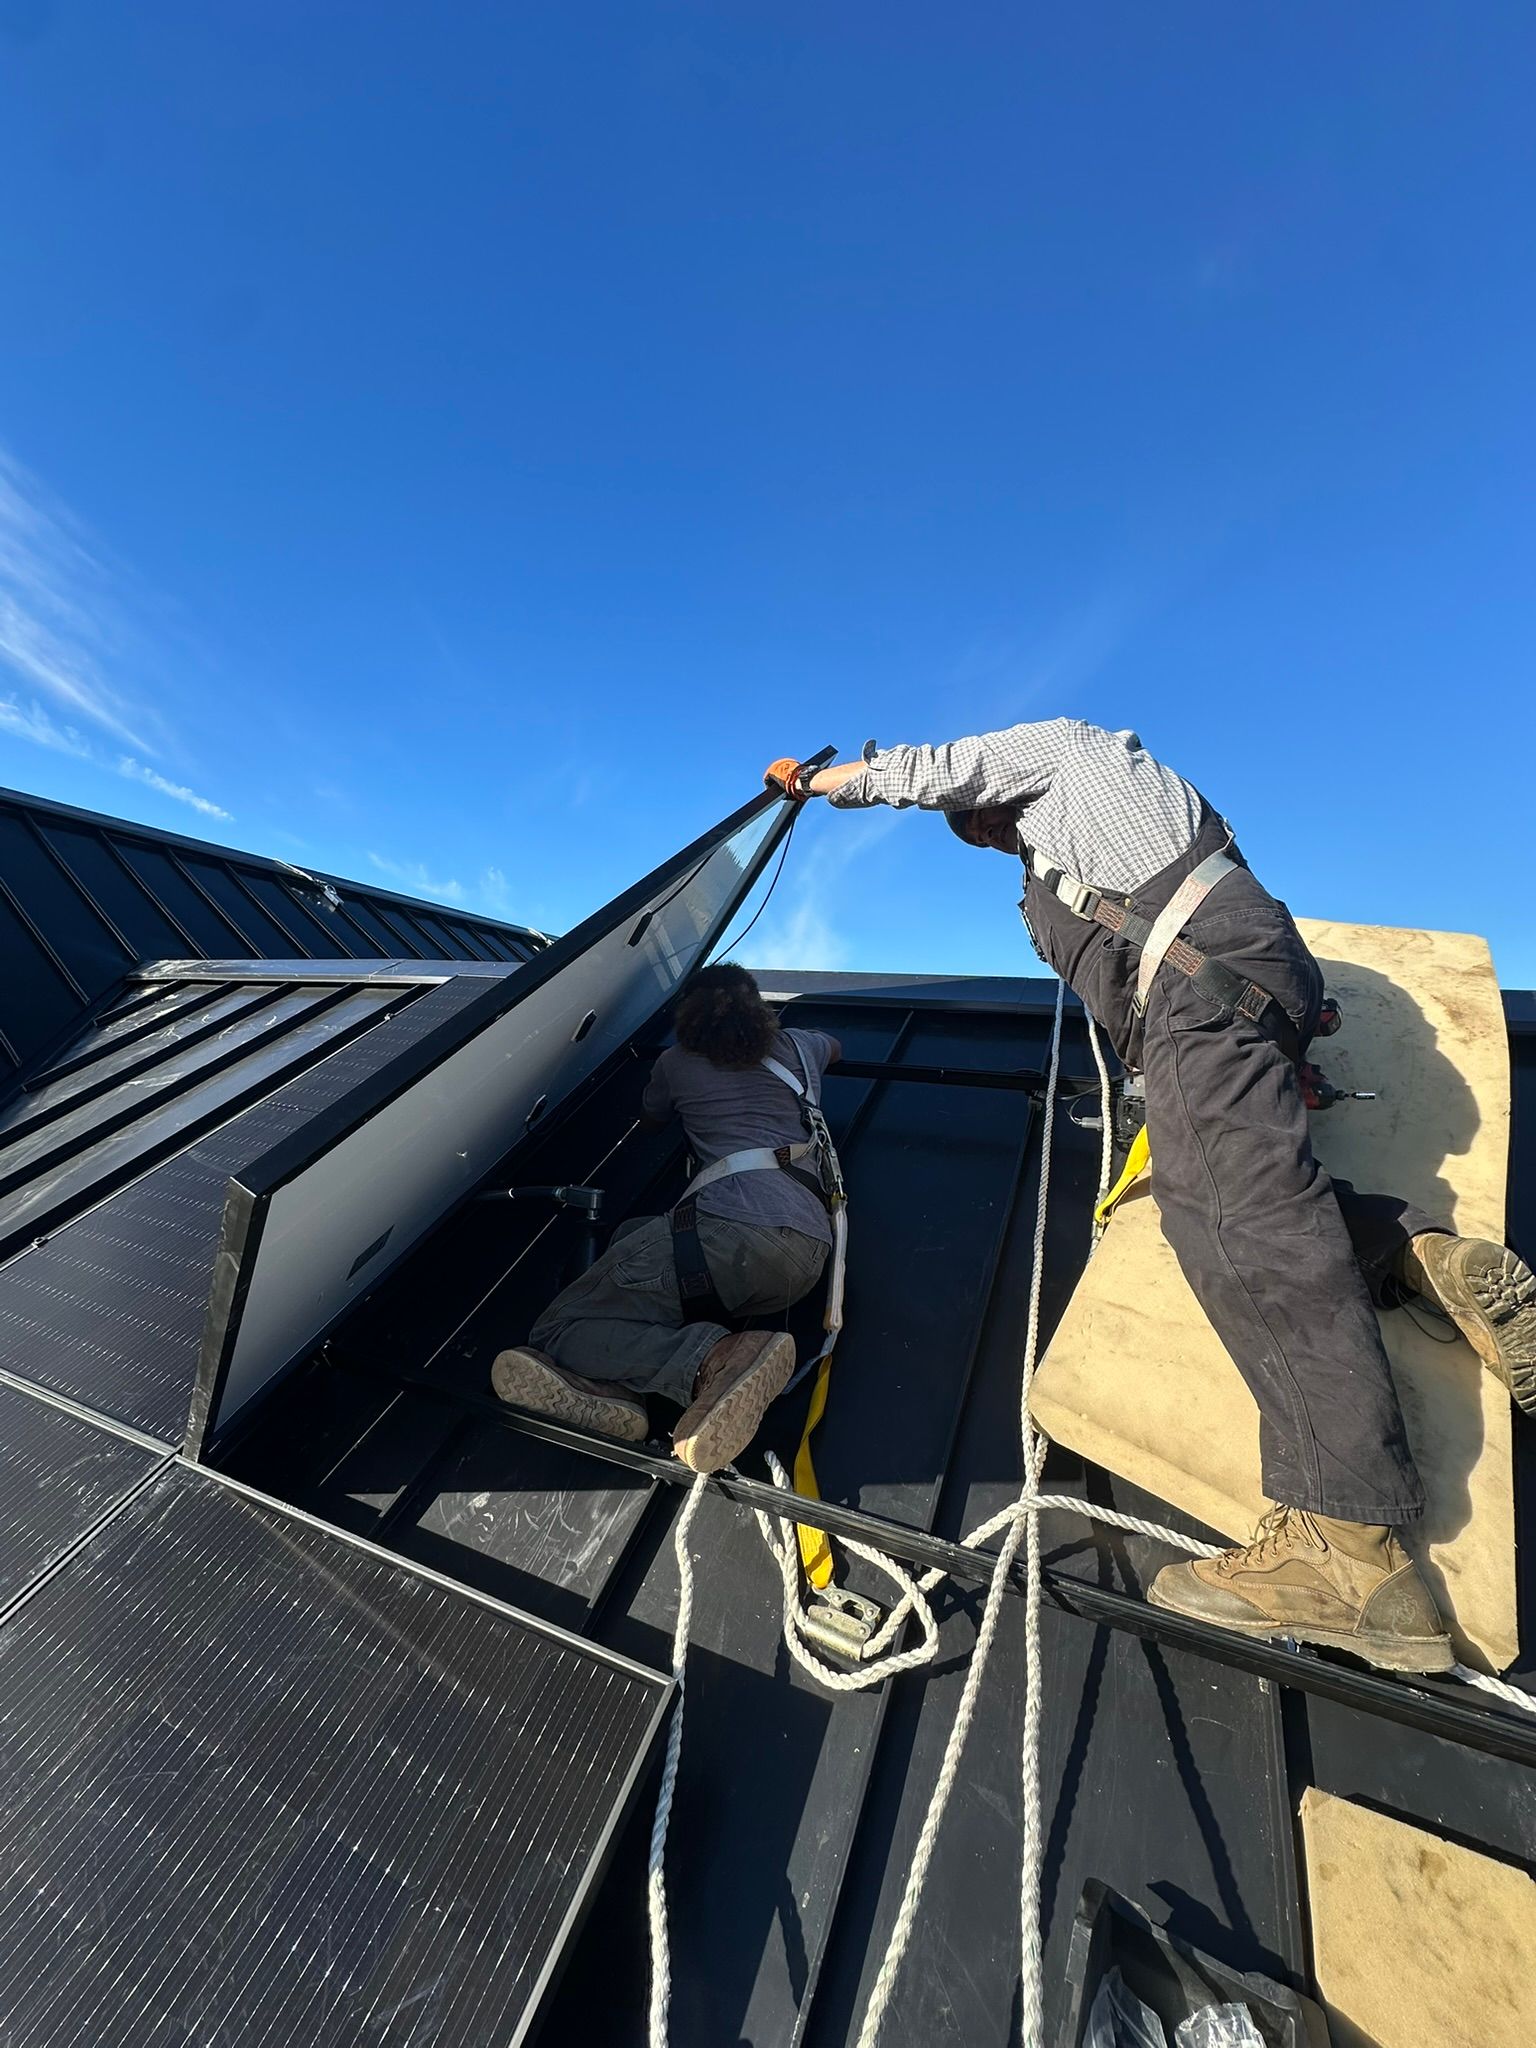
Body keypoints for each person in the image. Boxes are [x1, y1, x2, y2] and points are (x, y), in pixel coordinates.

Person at [766, 726, 1536, 1673]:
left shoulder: (1057, 751)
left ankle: (1350, 1548)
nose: (988, 836)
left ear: (991, 798)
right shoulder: (1133, 815)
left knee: (1238, 1225)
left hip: (1196, 986)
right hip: (1255, 973)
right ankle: (1419, 1256)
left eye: (982, 824)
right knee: (1243, 1188)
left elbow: (932, 770)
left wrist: (817, 782)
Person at [491, 965, 840, 1473]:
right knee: (633, 1240)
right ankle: (618, 1393)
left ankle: (715, 1360)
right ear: (757, 1007)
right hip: (806, 1256)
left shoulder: (678, 1063)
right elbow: (835, 1044)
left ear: (688, 1015)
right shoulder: (798, 1047)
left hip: (730, 1231)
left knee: (559, 1329)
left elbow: (651, 1122)